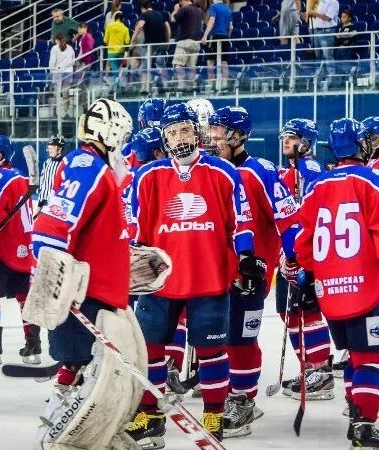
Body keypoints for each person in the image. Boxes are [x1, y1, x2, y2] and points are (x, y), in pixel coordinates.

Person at [126, 103, 262, 444]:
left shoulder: (223, 171)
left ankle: (213, 416)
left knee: (212, 351)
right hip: (159, 280)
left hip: (209, 278)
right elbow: (134, 226)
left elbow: (241, 220)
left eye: (184, 130)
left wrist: (246, 256)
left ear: (196, 131)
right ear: (164, 139)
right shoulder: (148, 175)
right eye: (171, 133)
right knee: (151, 349)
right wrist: (130, 261)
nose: (179, 137)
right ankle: (151, 416)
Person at [295, 117, 379, 449]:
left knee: (352, 355)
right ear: (362, 146)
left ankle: (356, 415)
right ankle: (364, 426)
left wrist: (308, 276)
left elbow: (303, 244)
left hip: (330, 291)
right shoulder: (375, 180)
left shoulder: (316, 185)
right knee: (369, 357)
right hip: (367, 287)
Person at [31, 99, 141, 449]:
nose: (122, 143)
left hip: (101, 290)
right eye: (120, 135)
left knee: (96, 369)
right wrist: (55, 275)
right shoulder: (87, 165)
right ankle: (59, 431)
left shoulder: (99, 169)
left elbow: (100, 231)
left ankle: (91, 429)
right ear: (107, 132)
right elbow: (53, 224)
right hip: (86, 292)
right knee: (82, 365)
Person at [208, 106, 302, 437]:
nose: (212, 138)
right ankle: (224, 390)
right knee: (216, 338)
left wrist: (294, 259)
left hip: (250, 273)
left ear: (237, 136)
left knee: (240, 338)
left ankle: (244, 400)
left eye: (219, 132)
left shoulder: (259, 171)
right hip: (212, 273)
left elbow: (289, 220)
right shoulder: (210, 169)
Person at [276, 118, 334, 399]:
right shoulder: (292, 171)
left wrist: (301, 254)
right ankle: (310, 368)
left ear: (307, 142)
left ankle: (321, 370)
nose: (286, 141)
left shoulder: (308, 169)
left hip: (304, 253)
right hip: (293, 252)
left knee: (307, 311)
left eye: (293, 137)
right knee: (290, 311)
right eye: (284, 137)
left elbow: (308, 214)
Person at [0, 136, 37, 366]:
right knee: (25, 297)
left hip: (2, 249)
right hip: (24, 247)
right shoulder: (21, 177)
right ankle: (33, 346)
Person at [130, 1, 171, 93]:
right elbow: (168, 28)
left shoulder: (145, 14)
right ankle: (166, 86)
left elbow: (140, 26)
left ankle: (144, 88)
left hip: (149, 45)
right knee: (161, 64)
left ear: (143, 7)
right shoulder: (161, 14)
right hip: (161, 44)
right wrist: (167, 41)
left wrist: (133, 39)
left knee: (145, 65)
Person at [171, 0, 203, 91]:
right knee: (192, 66)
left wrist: (176, 9)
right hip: (196, 42)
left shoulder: (184, 9)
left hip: (184, 41)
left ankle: (181, 85)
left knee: (178, 64)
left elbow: (173, 19)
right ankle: (191, 86)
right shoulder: (198, 10)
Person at [201, 0, 233, 90]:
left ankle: (211, 83)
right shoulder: (228, 9)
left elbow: (212, 20)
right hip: (225, 36)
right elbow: (231, 27)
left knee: (210, 61)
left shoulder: (213, 7)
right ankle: (224, 83)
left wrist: (205, 36)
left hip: (215, 36)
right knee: (224, 61)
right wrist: (228, 38)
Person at [302, 0, 339, 77]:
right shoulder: (321, 2)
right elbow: (317, 17)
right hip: (317, 30)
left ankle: (331, 77)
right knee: (318, 56)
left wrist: (314, 13)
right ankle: (321, 76)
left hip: (327, 31)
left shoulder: (333, 2)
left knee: (328, 56)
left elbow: (328, 18)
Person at [49, 34, 76, 115]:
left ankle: (54, 112)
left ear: (57, 40)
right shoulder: (70, 48)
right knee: (65, 93)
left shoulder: (54, 48)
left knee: (56, 93)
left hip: (57, 72)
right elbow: (73, 61)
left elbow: (52, 62)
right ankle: (66, 112)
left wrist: (51, 71)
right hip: (68, 73)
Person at [38, 136, 65, 210]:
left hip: (55, 203)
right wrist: (41, 199)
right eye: (49, 148)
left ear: (60, 149)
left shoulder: (65, 163)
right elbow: (43, 181)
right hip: (42, 200)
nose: (50, 150)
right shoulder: (47, 162)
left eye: (52, 148)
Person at [104, 11, 131, 78]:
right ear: (122, 19)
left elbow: (105, 40)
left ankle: (116, 86)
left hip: (111, 51)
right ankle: (116, 86)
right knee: (116, 69)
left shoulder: (109, 26)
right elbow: (127, 41)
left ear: (115, 18)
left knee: (114, 69)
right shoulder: (125, 28)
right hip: (121, 51)